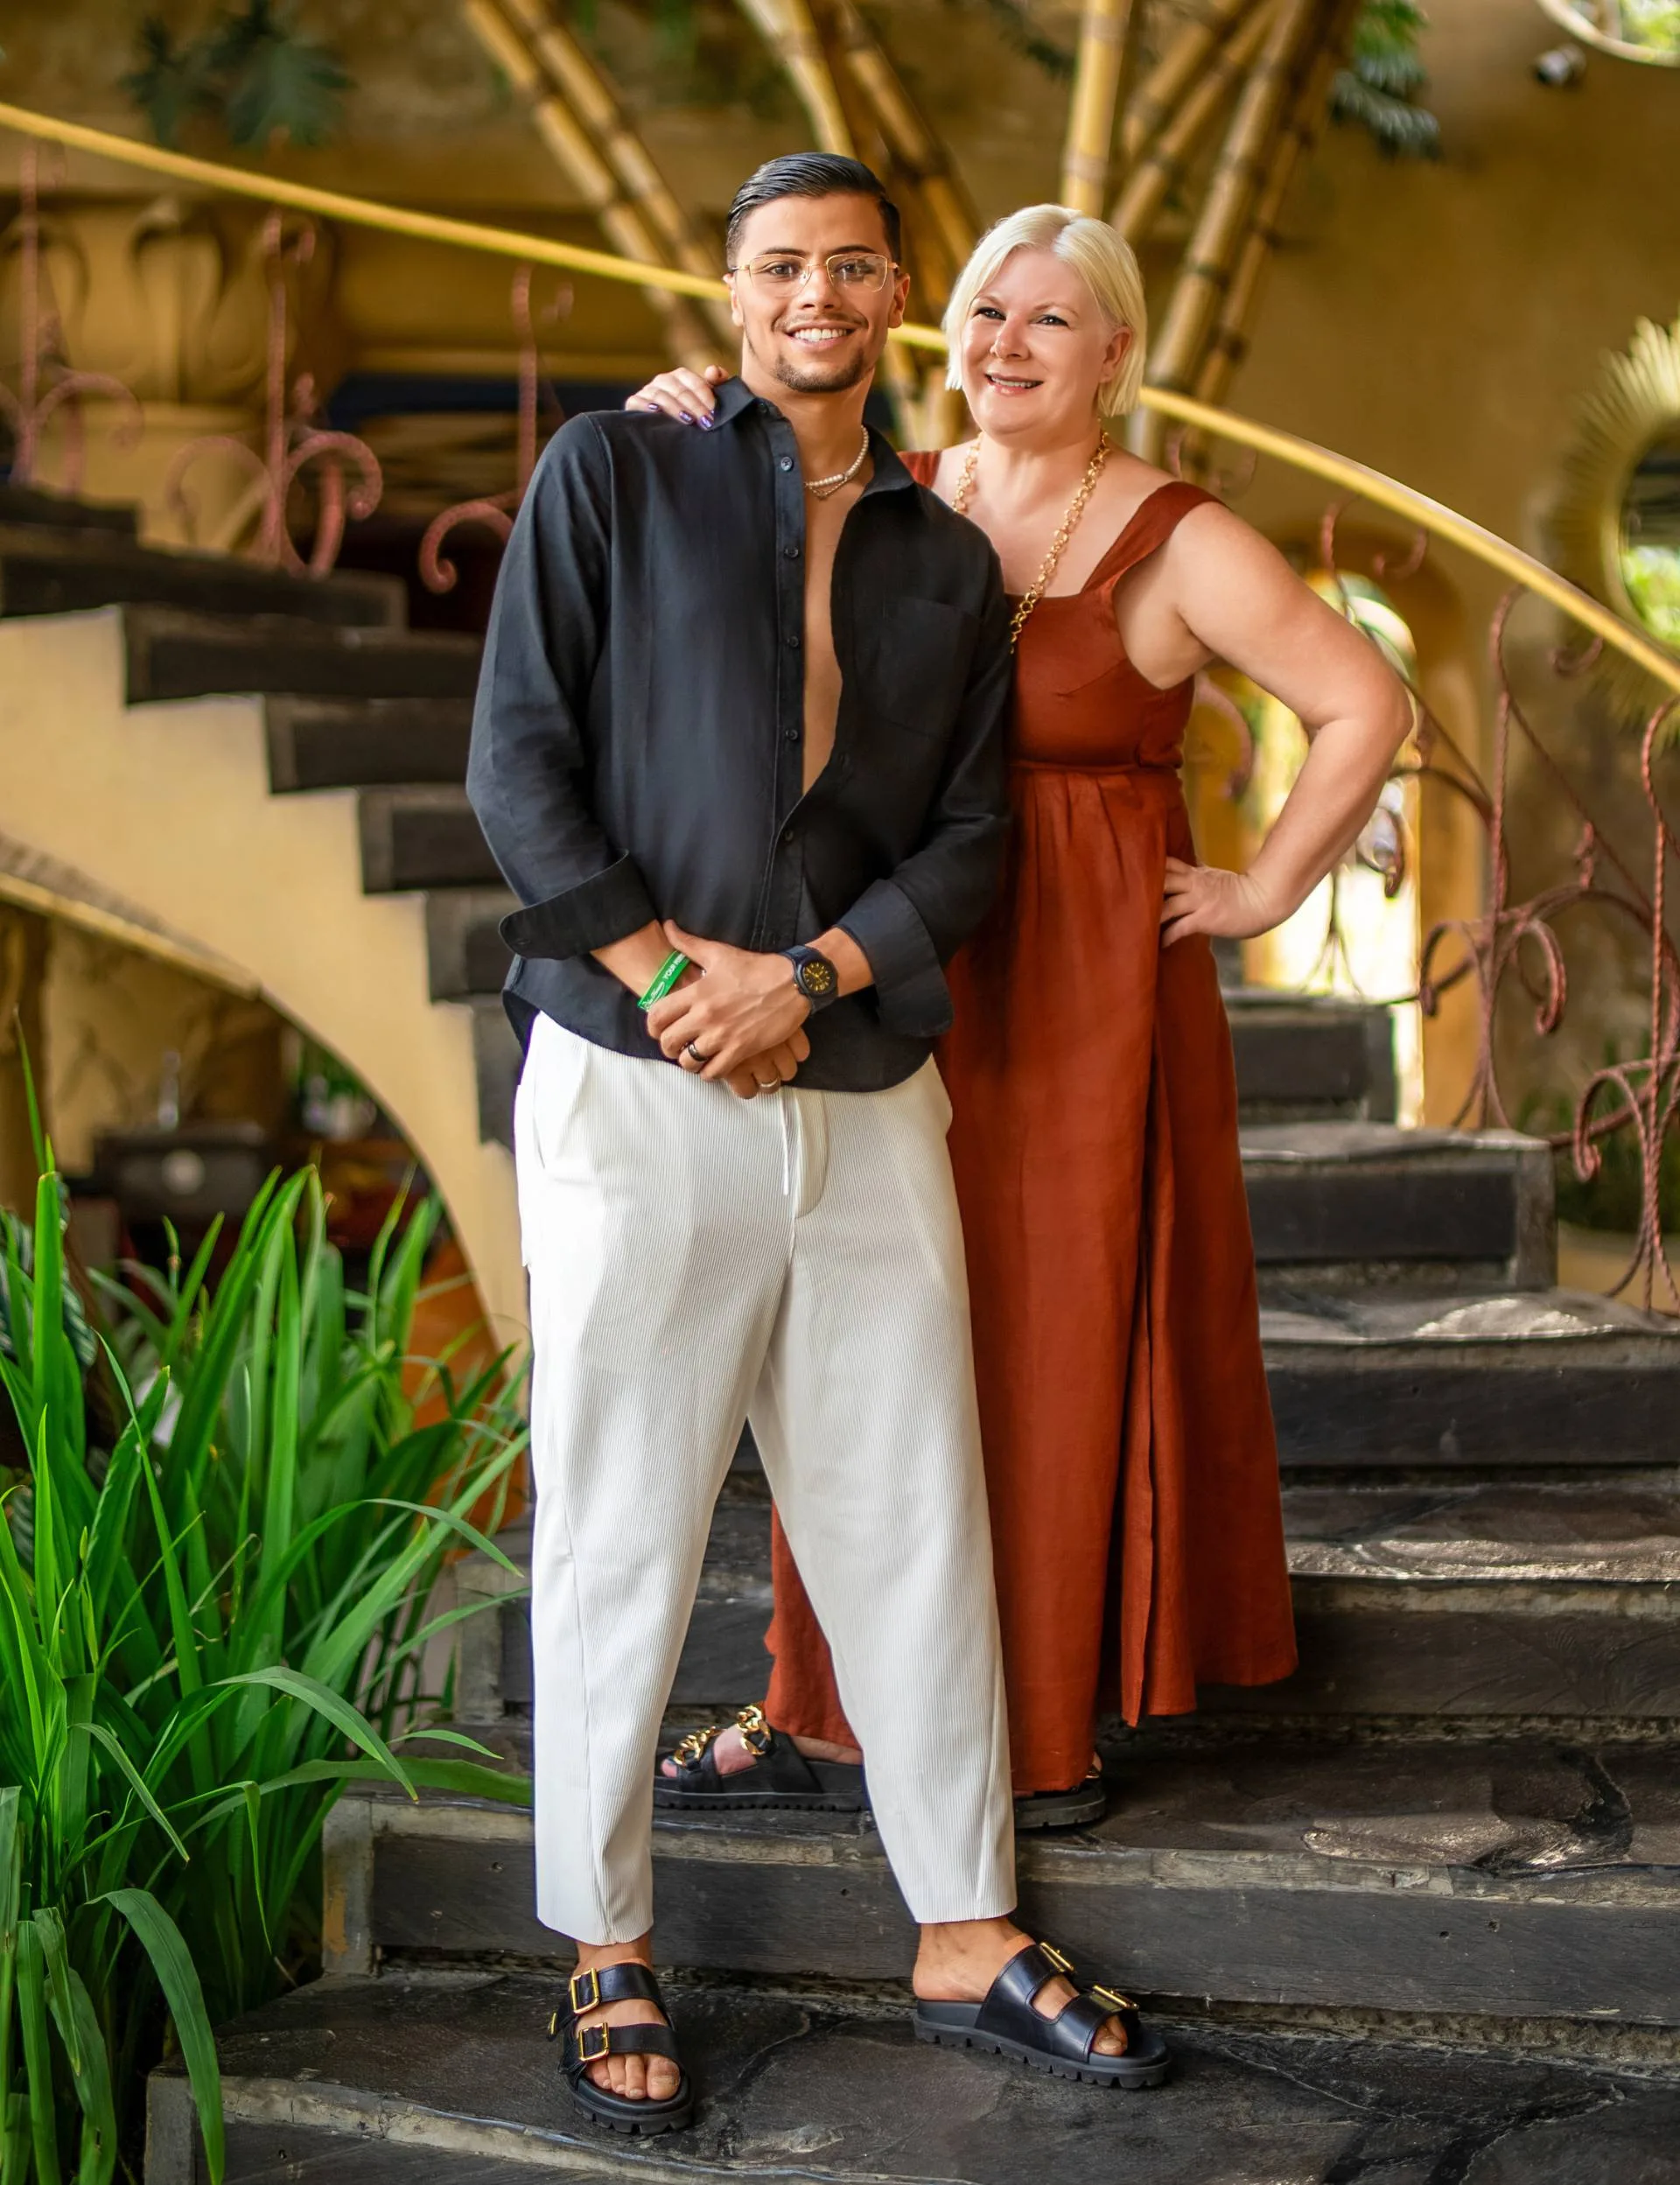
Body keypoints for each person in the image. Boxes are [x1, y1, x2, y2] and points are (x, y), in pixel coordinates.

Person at [468, 164, 1171, 2136]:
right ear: (733, 287)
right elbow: (517, 756)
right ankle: (603, 1943)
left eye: (851, 264)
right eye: (778, 265)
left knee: (912, 1517)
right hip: (633, 1076)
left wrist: (815, 976)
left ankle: (962, 1926)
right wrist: (672, 968)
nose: (815, 295)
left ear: (892, 293)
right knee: (620, 1526)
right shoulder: (622, 470)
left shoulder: (948, 556)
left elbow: (969, 838)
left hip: (860, 1086)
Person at [627, 206, 1412, 1831]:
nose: (1004, 343)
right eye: (986, 310)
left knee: (1031, 1330)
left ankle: (1035, 1724)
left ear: (1116, 351)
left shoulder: (1176, 539)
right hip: (890, 941)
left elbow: (1367, 703)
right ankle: (822, 1705)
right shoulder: (907, 485)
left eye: (1050, 320)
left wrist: (1262, 890)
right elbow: (747, 549)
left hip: (1071, 970)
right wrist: (679, 426)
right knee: (844, 1324)